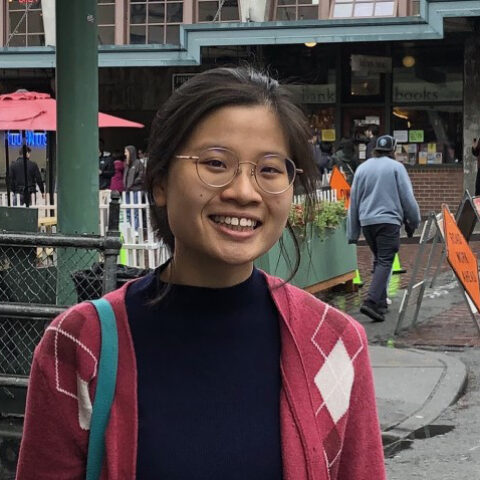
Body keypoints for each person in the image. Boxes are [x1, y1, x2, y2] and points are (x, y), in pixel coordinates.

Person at [17, 67, 386, 480]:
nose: (244, 193)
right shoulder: (82, 345)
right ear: (159, 182)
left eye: (268, 169)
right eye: (215, 162)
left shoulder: (334, 345)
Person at [348, 134, 421, 323]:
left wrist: (353, 232)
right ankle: (371, 301)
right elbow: (407, 198)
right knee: (385, 260)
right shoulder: (396, 167)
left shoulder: (362, 169)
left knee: (379, 259)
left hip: (367, 222)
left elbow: (354, 201)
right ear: (393, 150)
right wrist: (413, 221)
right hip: (388, 221)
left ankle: (380, 304)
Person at [123, 145, 145, 229]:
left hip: (136, 190)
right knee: (128, 211)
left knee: (136, 211)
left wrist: (134, 183)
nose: (125, 153)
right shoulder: (127, 164)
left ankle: (136, 230)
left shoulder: (138, 163)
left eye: (126, 151)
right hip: (128, 190)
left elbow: (141, 175)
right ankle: (130, 228)